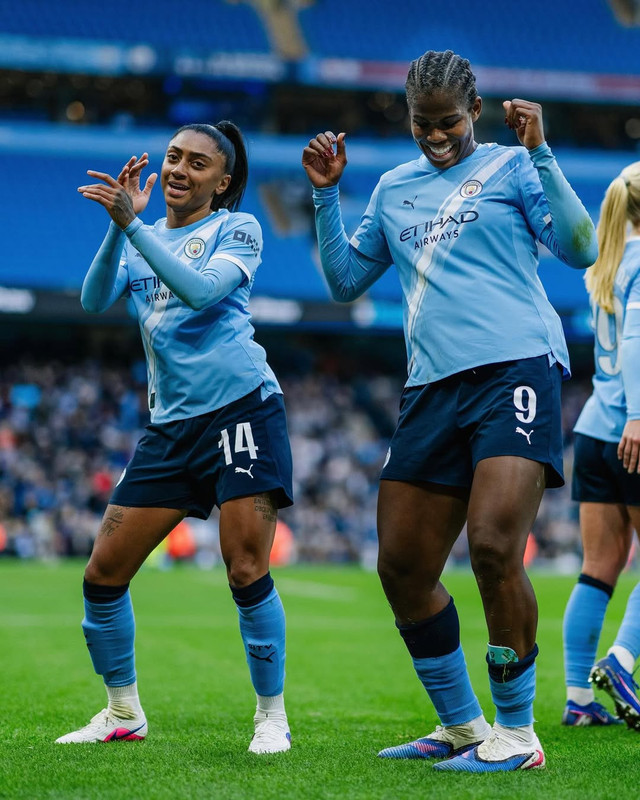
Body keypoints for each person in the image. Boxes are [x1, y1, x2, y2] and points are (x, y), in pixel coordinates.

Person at [302, 49, 597, 773]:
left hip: (514, 370)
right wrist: (324, 198)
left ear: (475, 112)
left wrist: (545, 152)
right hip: (432, 389)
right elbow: (344, 282)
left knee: (494, 546)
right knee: (401, 566)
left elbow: (580, 245)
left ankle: (517, 733)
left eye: (450, 124)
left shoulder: (512, 166)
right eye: (422, 125)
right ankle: (461, 725)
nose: (436, 137)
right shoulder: (392, 188)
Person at [56, 121, 294, 754]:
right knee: (103, 574)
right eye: (172, 158)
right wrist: (121, 226)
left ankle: (271, 716)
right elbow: (93, 299)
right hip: (171, 428)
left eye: (197, 162)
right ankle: (121, 711)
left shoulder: (236, 230)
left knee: (245, 568)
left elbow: (198, 292)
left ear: (224, 182)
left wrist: (134, 229)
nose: (180, 169)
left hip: (242, 412)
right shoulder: (143, 236)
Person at [562, 161, 640, 730]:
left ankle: (579, 700)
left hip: (592, 430)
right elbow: (637, 345)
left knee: (599, 568)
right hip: (631, 430)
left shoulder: (609, 263)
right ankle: (622, 661)